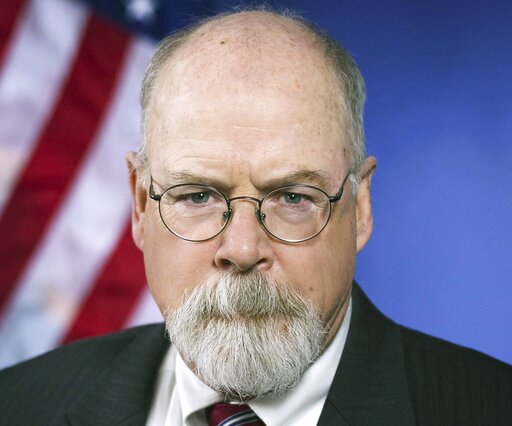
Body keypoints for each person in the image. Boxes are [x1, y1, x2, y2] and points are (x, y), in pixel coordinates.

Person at [0, 8, 510, 426]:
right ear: (139, 205)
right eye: (197, 196)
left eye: (292, 198)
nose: (242, 249)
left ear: (359, 209)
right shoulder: (18, 406)